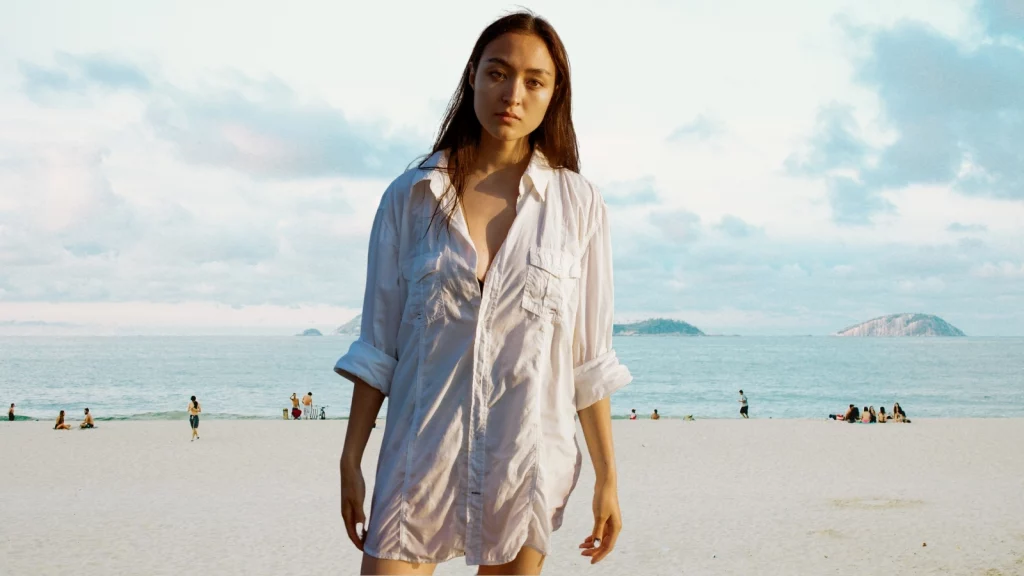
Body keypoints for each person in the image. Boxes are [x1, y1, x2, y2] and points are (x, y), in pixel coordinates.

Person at [333, 12, 631, 574]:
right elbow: (378, 346)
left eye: (534, 81)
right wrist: (351, 457)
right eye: (498, 73)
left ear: (553, 95)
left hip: (526, 463)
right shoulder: (412, 196)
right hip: (417, 458)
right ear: (472, 76)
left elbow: (589, 360)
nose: (512, 94)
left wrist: (609, 479)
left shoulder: (578, 206)